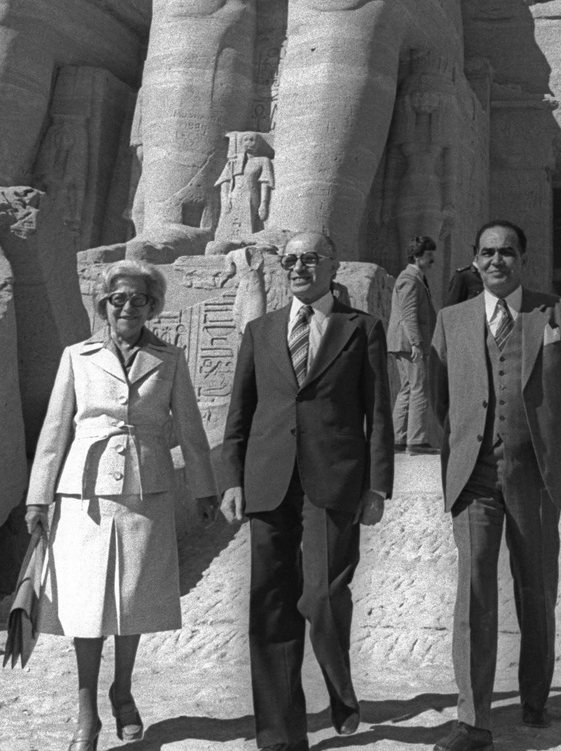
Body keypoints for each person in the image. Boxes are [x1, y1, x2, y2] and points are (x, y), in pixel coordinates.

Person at [24, 260, 218, 751]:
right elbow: (54, 431)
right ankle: (86, 713)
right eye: (118, 298)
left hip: (145, 491)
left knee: (133, 600)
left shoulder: (169, 358)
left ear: (152, 306)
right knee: (86, 605)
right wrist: (38, 498)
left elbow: (191, 428)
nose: (127, 306)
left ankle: (123, 692)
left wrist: (203, 489)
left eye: (138, 299)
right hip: (83, 494)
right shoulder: (77, 356)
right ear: (104, 304)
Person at [221, 231, 394, 751]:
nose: (297, 267)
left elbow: (378, 413)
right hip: (269, 479)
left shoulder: (362, 328)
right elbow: (240, 412)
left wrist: (377, 485)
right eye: (290, 260)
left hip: (334, 478)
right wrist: (231, 478)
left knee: (322, 593)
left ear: (333, 265)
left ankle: (339, 687)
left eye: (309, 258)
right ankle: (279, 735)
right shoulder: (261, 330)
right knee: (270, 604)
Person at [430, 219, 561, 751]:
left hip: (535, 474)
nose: (497, 260)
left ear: (523, 259)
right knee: (474, 592)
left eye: (508, 252)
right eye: (488, 252)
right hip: (474, 477)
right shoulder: (451, 318)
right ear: (475, 259)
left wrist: (541, 436)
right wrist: (464, 449)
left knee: (535, 588)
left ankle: (534, 697)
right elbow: (439, 397)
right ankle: (473, 721)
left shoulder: (556, 312)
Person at [386, 235, 438, 454]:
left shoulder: (414, 277)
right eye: (429, 255)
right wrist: (417, 343)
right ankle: (416, 441)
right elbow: (408, 314)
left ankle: (398, 439)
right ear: (417, 256)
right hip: (409, 344)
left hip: (405, 343)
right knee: (419, 387)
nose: (432, 260)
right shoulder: (409, 278)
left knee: (408, 388)